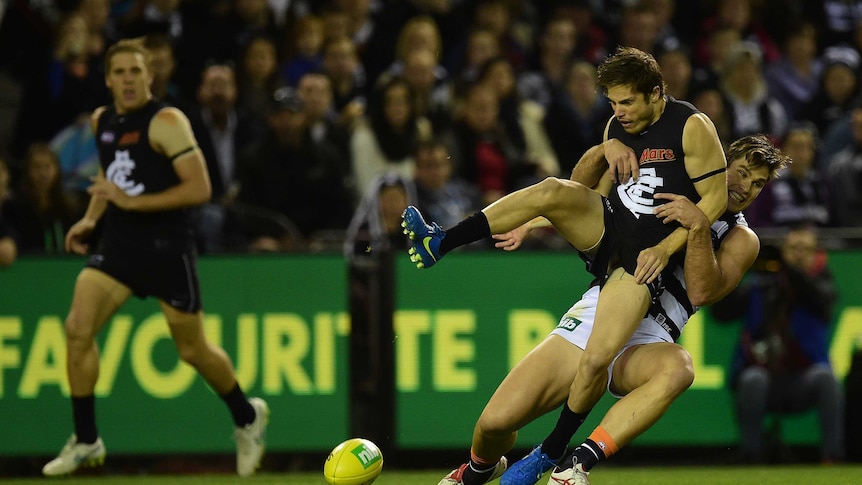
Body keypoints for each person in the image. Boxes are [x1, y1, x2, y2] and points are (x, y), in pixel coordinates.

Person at [405, 49, 729, 485]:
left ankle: (552, 452)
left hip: (638, 264)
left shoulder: (692, 127)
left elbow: (715, 200)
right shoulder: (618, 126)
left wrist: (666, 246)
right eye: (612, 103)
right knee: (551, 189)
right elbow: (581, 189)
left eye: (627, 102)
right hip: (612, 230)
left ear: (656, 93)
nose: (619, 112)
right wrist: (597, 153)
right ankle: (441, 241)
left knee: (598, 357)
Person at [437, 134, 787, 485]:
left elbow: (701, 290)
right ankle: (482, 467)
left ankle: (575, 463)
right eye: (741, 172)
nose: (746, 187)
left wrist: (698, 224)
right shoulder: (673, 178)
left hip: (650, 335)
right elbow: (587, 196)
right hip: (601, 312)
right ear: (722, 161)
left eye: (758, 184)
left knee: (679, 368)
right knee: (494, 424)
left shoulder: (743, 239)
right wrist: (596, 158)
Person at [41, 38, 268, 477]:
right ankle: (87, 439)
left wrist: (130, 204)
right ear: (107, 79)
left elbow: (200, 190)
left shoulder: (166, 120)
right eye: (120, 72)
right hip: (120, 248)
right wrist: (92, 218)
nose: (128, 79)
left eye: (136, 71)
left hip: (167, 250)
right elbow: (113, 177)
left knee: (193, 350)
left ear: (150, 77)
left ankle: (246, 415)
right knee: (77, 328)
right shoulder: (101, 120)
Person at [712, 225, 844, 464]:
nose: (798, 254)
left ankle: (832, 456)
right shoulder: (761, 285)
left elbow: (821, 302)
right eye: (792, 248)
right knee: (753, 379)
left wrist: (789, 271)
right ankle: (750, 455)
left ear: (816, 253)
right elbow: (720, 315)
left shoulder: (821, 283)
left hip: (802, 379)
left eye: (805, 249)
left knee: (826, 379)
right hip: (765, 378)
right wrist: (733, 273)